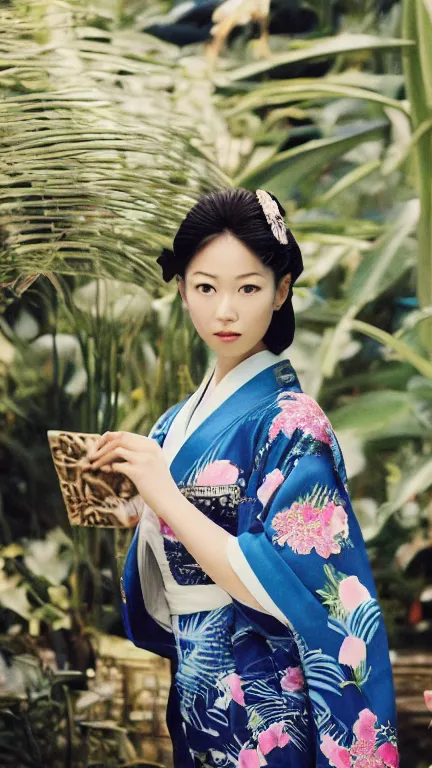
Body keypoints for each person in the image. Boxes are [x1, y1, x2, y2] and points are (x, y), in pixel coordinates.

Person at [88, 188, 399, 768]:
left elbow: (296, 590)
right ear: (181, 289)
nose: (224, 310)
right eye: (205, 287)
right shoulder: (173, 423)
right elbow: (172, 556)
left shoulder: (293, 421)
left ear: (282, 291)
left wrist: (166, 498)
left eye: (248, 287)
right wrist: (133, 509)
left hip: (264, 696)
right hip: (199, 686)